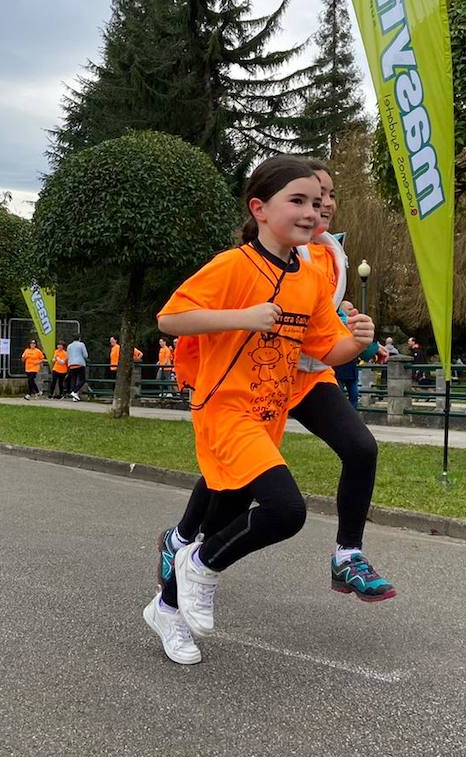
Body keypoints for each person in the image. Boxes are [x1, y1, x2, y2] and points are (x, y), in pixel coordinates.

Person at [142, 155, 375, 665]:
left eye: (315, 202)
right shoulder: (235, 265)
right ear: (260, 209)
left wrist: (355, 343)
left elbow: (323, 351)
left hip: (267, 416)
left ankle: (167, 607)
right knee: (286, 511)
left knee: (219, 522)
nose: (312, 211)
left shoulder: (310, 280)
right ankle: (198, 566)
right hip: (226, 411)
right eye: (297, 201)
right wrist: (242, 316)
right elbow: (171, 319)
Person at [66, 335, 89, 402]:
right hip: (80, 364)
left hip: (71, 364)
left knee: (73, 379)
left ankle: (74, 396)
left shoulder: (69, 346)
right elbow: (85, 355)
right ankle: (75, 391)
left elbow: (68, 355)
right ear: (79, 338)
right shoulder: (81, 344)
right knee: (82, 380)